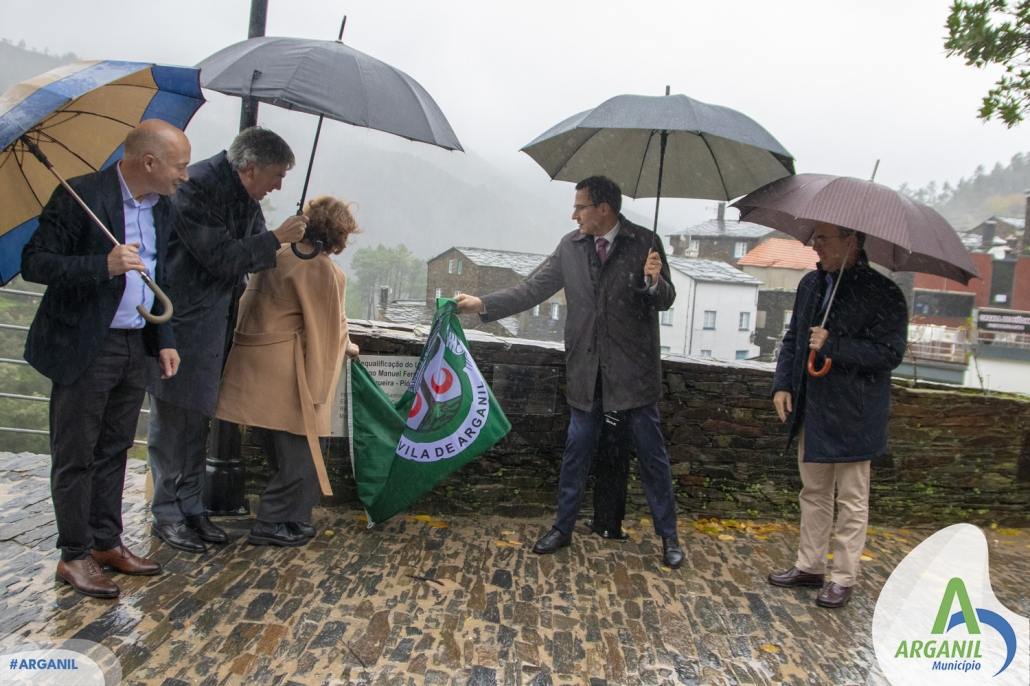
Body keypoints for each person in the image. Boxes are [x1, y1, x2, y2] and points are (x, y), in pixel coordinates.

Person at [455, 175, 685, 568]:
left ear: (603, 209)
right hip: (586, 369)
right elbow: (532, 290)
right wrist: (481, 304)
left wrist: (653, 281)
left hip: (634, 374)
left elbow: (666, 299)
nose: (573, 214)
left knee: (652, 456)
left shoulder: (645, 243)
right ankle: (562, 528)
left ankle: (669, 538)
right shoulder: (570, 246)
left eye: (580, 206)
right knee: (576, 451)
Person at [21, 119, 190, 598]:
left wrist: (166, 339)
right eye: (179, 165)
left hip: (134, 342)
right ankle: (73, 555)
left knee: (115, 449)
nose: (186, 174)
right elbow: (35, 262)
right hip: (84, 345)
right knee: (76, 453)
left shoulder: (164, 209)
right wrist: (103, 265)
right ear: (149, 162)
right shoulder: (80, 196)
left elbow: (160, 279)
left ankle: (104, 543)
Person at [146, 126, 307, 553]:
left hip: (216, 321)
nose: (278, 185)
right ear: (249, 167)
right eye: (276, 175)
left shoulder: (243, 196)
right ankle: (166, 512)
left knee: (199, 415)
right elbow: (221, 257)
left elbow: (256, 254)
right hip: (181, 323)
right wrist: (276, 238)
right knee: (175, 416)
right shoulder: (195, 187)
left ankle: (191, 506)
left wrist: (296, 247)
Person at [767, 223, 907, 609]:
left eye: (824, 239)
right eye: (815, 238)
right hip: (813, 407)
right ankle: (809, 566)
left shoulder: (885, 293)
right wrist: (783, 384)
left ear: (851, 241)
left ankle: (843, 578)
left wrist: (836, 346)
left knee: (851, 499)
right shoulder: (811, 285)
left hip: (855, 413)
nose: (815, 245)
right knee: (812, 492)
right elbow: (794, 338)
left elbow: (889, 354)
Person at [214, 196, 360, 546]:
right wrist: (322, 385)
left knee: (282, 454)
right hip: (286, 374)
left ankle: (293, 519)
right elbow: (326, 330)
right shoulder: (324, 270)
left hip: (253, 367)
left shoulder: (276, 254)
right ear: (339, 234)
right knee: (304, 457)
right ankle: (271, 523)